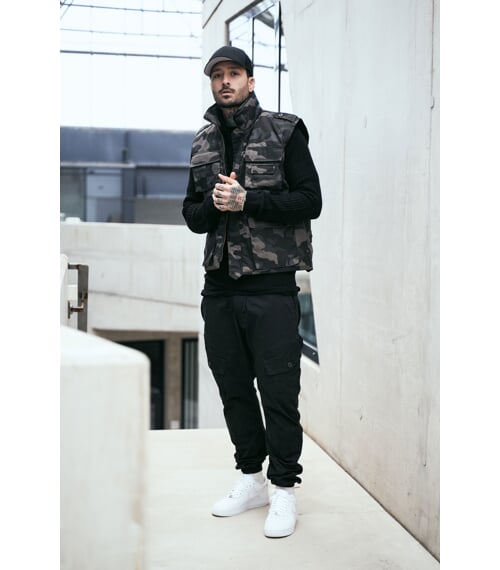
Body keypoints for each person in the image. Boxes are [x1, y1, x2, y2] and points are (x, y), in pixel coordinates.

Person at [182, 45, 322, 538]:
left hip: (271, 287)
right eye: (217, 75)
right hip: (218, 289)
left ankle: (284, 489)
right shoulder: (202, 142)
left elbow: (310, 200)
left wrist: (248, 200)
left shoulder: (285, 130)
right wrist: (215, 206)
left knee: (279, 392)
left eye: (234, 73)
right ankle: (251, 479)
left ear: (251, 80)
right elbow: (192, 214)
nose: (225, 81)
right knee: (234, 388)